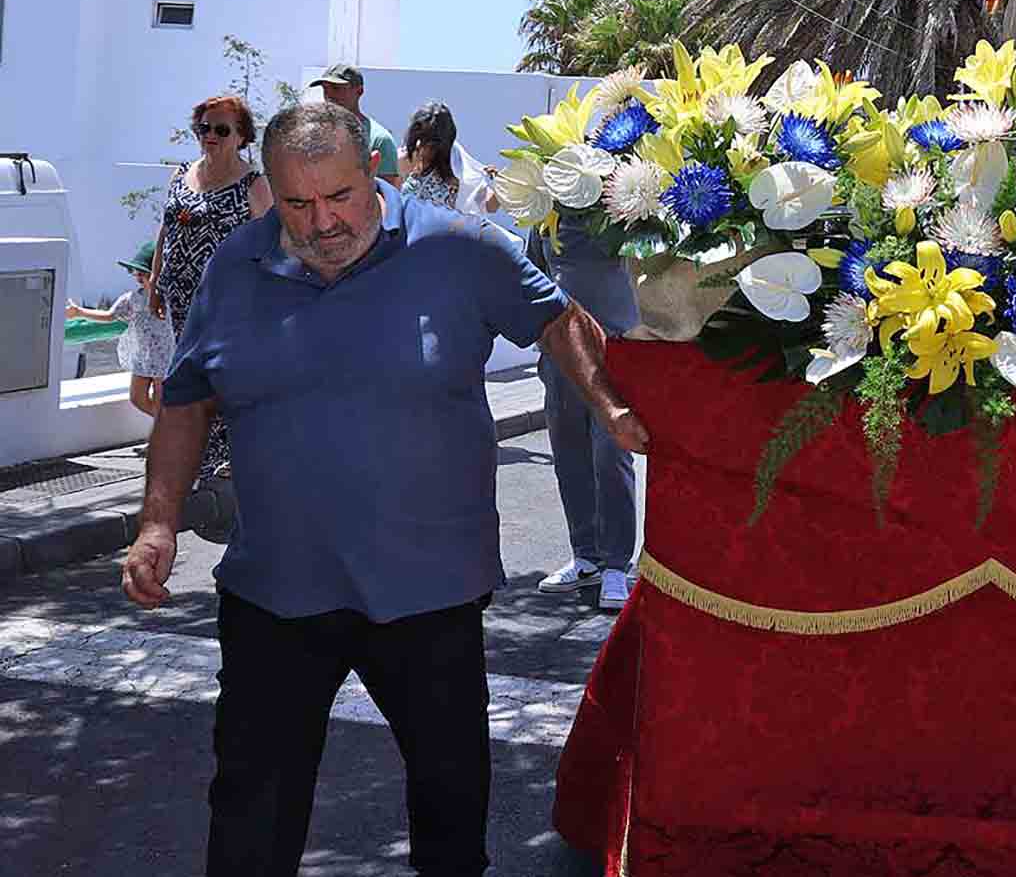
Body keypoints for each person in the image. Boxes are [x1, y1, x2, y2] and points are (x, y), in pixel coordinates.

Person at [120, 101, 650, 875]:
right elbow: (187, 399)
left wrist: (607, 401)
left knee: (448, 807)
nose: (321, 221)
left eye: (338, 196)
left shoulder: (460, 248)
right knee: (249, 813)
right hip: (276, 589)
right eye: (297, 203)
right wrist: (157, 523)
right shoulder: (238, 264)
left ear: (373, 171)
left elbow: (555, 316)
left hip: (429, 592)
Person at [148, 94, 274, 482]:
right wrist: (155, 280)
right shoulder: (181, 174)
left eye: (222, 129)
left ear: (241, 136)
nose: (211, 136)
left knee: (218, 373)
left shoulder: (253, 184)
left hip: (228, 298)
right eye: (205, 128)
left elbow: (270, 246)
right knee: (186, 372)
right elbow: (166, 230)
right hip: (180, 295)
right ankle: (197, 454)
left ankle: (227, 453)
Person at [529, 224, 643, 610]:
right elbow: (534, 272)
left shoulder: (620, 210)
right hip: (561, 352)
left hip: (618, 349)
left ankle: (615, 564)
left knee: (611, 456)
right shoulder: (545, 209)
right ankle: (586, 557)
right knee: (569, 454)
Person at [65, 241, 174, 417]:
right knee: (137, 398)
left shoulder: (170, 298)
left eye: (143, 273)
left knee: (162, 403)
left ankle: (164, 435)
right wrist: (79, 312)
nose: (138, 277)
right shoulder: (133, 299)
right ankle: (168, 427)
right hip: (143, 358)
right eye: (135, 272)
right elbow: (109, 316)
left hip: (165, 359)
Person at [312, 62, 402, 182]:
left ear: (359, 91)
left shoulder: (379, 140)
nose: (329, 95)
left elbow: (385, 194)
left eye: (336, 88)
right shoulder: (314, 135)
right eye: (325, 89)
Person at [400, 102, 463, 211]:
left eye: (434, 140)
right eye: (423, 137)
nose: (427, 146)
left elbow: (482, 202)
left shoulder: (454, 160)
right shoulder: (403, 159)